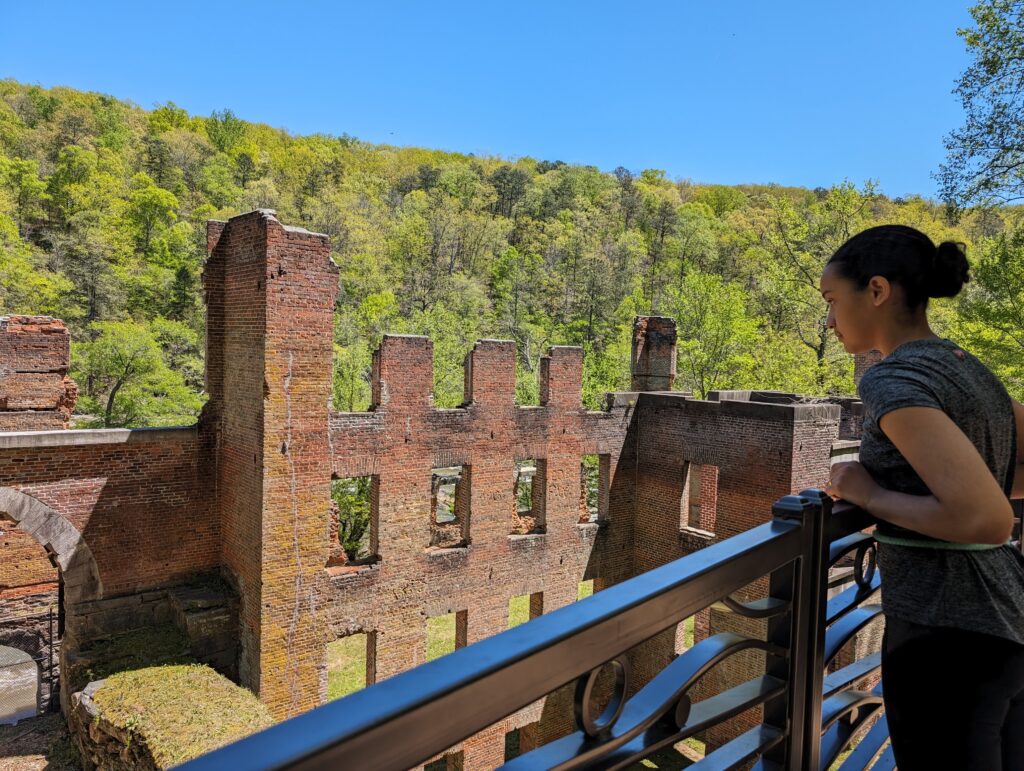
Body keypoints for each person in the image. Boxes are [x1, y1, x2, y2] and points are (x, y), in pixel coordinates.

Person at [821, 224, 1024, 770]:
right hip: (1005, 620)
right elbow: (995, 483)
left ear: (877, 290)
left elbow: (986, 519)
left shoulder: (892, 380)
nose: (829, 321)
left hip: (944, 635)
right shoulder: (966, 367)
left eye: (832, 300)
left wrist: (867, 491)